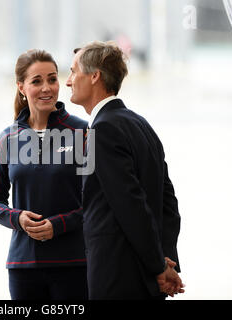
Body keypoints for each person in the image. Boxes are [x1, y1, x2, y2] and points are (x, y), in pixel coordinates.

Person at [66, 40, 184, 299]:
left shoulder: (102, 130)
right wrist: (165, 259)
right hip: (147, 278)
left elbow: (130, 205)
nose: (68, 81)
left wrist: (159, 265)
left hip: (117, 276)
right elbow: (168, 202)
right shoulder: (141, 125)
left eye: (73, 71)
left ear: (95, 76)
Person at [0, 49, 88, 300]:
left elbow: (97, 200)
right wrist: (17, 219)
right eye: (37, 81)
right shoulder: (7, 138)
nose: (47, 88)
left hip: (74, 264)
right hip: (23, 267)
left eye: (52, 79)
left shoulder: (84, 133)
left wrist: (58, 225)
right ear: (21, 87)